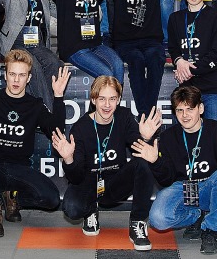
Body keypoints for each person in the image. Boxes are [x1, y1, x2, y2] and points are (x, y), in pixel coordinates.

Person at [0, 52, 69, 237]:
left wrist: (58, 96)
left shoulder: (35, 105)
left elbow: (56, 131)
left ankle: (12, 196)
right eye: (12, 74)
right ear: (5, 75)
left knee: (51, 199)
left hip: (17, 171)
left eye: (22, 75)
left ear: (29, 78)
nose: (16, 80)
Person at [138, 85, 217, 255]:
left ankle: (211, 230)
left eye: (190, 109)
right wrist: (155, 161)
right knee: (157, 219)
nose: (185, 115)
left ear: (201, 108)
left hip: (209, 190)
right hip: (182, 189)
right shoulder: (168, 137)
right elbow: (166, 180)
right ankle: (196, 216)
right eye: (180, 110)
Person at [54, 75, 162, 249]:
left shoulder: (124, 117)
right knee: (72, 208)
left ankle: (138, 222)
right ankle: (90, 210)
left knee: (143, 160)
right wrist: (68, 158)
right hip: (89, 183)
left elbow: (139, 148)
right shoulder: (81, 128)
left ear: (118, 100)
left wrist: (145, 138)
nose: (107, 105)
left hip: (115, 183)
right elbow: (76, 178)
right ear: (93, 100)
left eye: (112, 99)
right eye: (102, 99)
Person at [167, 0, 217, 115]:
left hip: (213, 88)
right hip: (186, 89)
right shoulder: (175, 18)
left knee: (214, 130)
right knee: (186, 130)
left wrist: (188, 70)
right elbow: (173, 48)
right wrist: (179, 61)